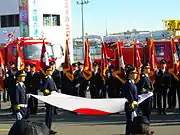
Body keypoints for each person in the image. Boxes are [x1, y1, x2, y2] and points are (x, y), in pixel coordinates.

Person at [41, 66, 57, 134]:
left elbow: (53, 87)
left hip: (52, 98)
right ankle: (47, 129)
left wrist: (55, 91)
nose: (51, 72)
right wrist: (50, 92)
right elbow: (43, 89)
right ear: (46, 71)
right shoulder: (46, 79)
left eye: (51, 70)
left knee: (50, 114)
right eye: (49, 71)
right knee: (48, 114)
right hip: (48, 98)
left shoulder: (51, 78)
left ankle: (48, 128)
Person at [123, 66, 138, 135]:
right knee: (130, 122)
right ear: (130, 74)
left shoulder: (132, 83)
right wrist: (132, 105)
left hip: (133, 105)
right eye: (134, 73)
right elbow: (129, 96)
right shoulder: (128, 84)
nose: (136, 74)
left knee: (132, 122)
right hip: (130, 106)